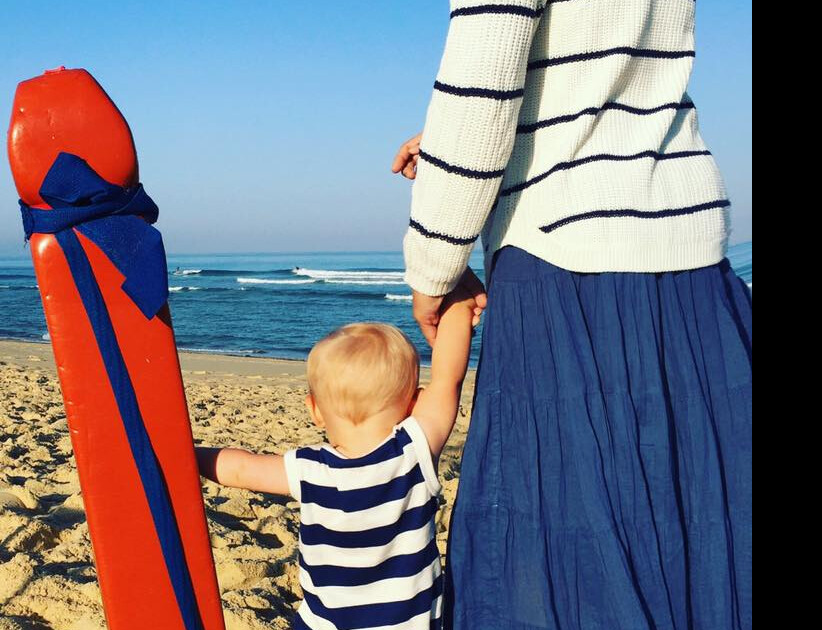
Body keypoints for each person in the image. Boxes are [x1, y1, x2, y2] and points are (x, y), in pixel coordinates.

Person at [391, 1, 752, 628]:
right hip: (694, 266)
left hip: (565, 267)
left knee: (556, 565)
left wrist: (432, 270)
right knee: (701, 549)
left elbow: (485, 77)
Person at [195, 284, 480, 629]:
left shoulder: (309, 469)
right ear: (413, 405)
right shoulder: (413, 452)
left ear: (314, 410)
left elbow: (239, 468)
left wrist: (188, 456)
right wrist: (458, 309)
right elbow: (448, 379)